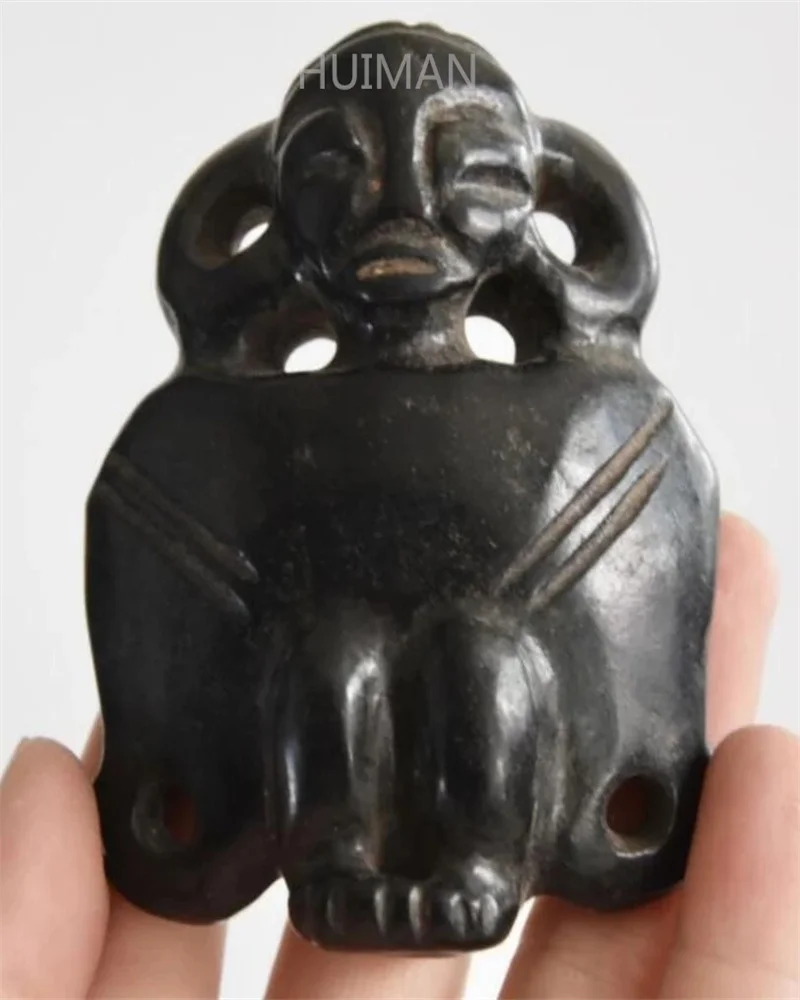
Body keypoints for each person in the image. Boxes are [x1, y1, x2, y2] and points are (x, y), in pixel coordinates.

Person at [0, 513, 797, 999]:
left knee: (477, 660)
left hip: (498, 719)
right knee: (333, 660)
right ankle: (337, 859)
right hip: (310, 716)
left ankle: (470, 861)